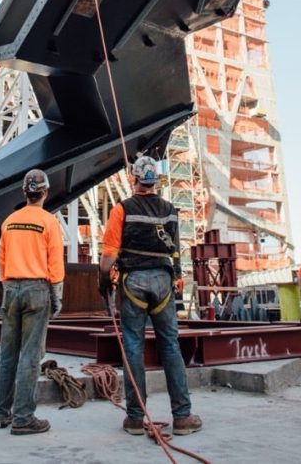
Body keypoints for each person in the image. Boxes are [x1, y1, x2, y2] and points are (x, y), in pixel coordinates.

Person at [99, 155, 202, 437]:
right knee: (170, 345)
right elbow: (176, 250)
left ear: (133, 178)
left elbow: (109, 253)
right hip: (163, 282)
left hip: (133, 282)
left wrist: (103, 278)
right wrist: (175, 276)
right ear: (155, 179)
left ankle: (134, 418)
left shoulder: (122, 209)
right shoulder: (170, 210)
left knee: (133, 346)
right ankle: (182, 417)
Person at [0, 168, 65, 436]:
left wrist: (9, 286)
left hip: (11, 288)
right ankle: (23, 418)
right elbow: (55, 264)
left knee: (7, 354)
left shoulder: (9, 221)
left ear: (24, 192)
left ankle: (2, 414)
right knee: (31, 356)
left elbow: (1, 260)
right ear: (45, 192)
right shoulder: (48, 222)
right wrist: (56, 297)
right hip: (37, 289)